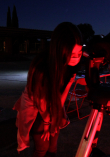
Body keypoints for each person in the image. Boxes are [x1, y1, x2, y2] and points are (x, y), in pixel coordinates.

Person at [13, 22, 83, 157]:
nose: (76, 58)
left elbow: (58, 102)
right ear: (60, 49)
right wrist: (47, 124)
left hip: (52, 110)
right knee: (42, 148)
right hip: (37, 111)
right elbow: (41, 101)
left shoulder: (65, 64)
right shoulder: (41, 68)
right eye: (72, 53)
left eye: (79, 53)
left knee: (53, 146)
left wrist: (69, 83)